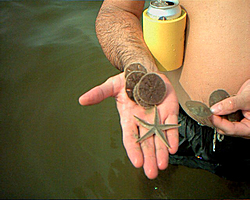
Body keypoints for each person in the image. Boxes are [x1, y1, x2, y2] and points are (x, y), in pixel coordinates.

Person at [79, 0, 250, 180]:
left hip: (245, 139)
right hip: (171, 115)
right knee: (154, 179)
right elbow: (117, 11)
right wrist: (138, 65)